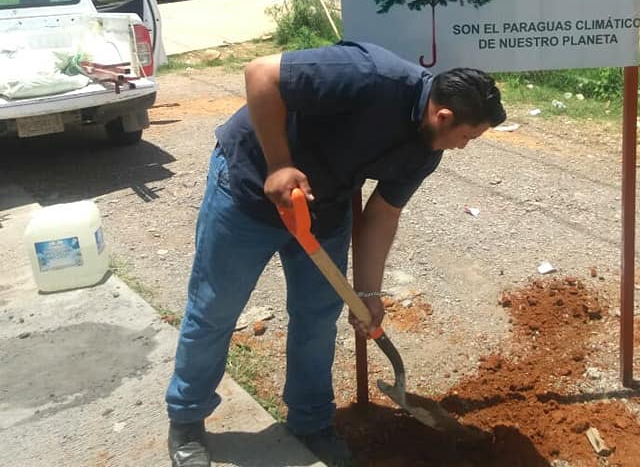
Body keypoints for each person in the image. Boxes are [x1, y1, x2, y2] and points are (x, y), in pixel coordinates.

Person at [165, 41, 506, 467]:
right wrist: (278, 166)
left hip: (322, 210)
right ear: (444, 116)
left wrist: (368, 292)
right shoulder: (370, 75)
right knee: (215, 308)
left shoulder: (426, 150)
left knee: (317, 319)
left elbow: (382, 214)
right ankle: (186, 418)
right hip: (250, 190)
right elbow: (260, 74)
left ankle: (309, 422)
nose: (464, 146)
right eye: (468, 137)